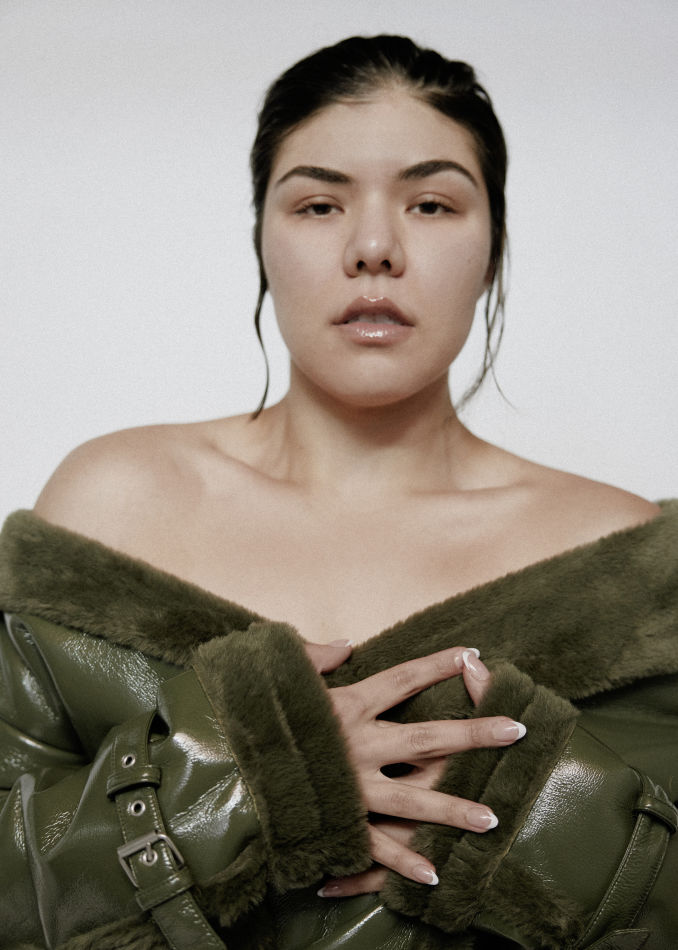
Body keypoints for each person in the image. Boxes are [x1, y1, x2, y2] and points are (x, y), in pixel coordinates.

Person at [0, 33, 676, 950]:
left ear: (492, 250)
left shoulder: (627, 560)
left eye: (432, 204)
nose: (373, 248)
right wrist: (255, 777)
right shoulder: (111, 505)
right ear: (262, 241)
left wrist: (538, 815)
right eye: (319, 204)